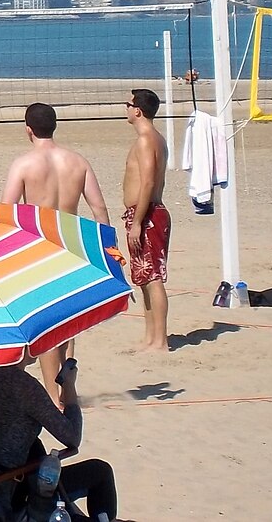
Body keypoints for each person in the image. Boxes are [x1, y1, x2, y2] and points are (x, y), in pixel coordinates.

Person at [2, 102, 110, 406]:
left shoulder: (24, 164)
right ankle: (66, 384)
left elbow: (7, 211)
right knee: (68, 318)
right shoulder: (78, 162)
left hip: (40, 248)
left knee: (48, 322)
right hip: (72, 246)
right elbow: (99, 209)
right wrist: (107, 248)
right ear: (54, 126)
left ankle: (53, 396)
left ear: (28, 129)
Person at [0, 356, 118, 522]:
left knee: (34, 447)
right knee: (100, 471)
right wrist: (69, 386)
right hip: (4, 489)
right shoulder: (23, 386)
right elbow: (72, 437)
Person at [123, 88, 171, 351]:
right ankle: (151, 336)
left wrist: (139, 221)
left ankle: (160, 340)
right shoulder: (154, 138)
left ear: (137, 110)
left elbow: (148, 181)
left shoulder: (146, 139)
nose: (126, 109)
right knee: (143, 279)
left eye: (128, 104)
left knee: (153, 279)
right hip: (143, 212)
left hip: (148, 213)